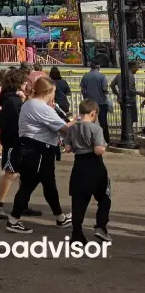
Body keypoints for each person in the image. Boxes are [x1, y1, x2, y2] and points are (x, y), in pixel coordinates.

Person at [6, 77, 74, 234]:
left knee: (47, 184)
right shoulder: (40, 107)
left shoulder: (30, 103)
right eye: (54, 92)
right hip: (39, 150)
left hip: (34, 148)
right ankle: (13, 219)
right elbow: (64, 129)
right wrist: (78, 121)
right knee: (31, 185)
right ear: (48, 92)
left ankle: (60, 217)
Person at [0, 68, 43, 219]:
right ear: (19, 83)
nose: (26, 84)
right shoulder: (12, 100)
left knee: (24, 174)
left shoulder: (12, 98)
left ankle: (22, 204)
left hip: (18, 141)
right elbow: (19, 119)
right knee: (11, 173)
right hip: (13, 141)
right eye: (25, 82)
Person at [65, 99, 112, 243]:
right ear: (93, 113)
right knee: (104, 197)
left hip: (79, 166)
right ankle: (100, 226)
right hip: (95, 165)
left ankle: (77, 233)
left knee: (78, 201)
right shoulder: (96, 129)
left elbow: (67, 149)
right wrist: (104, 147)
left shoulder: (72, 129)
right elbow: (98, 150)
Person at [80, 62, 111, 145]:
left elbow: (82, 90)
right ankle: (106, 140)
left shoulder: (85, 76)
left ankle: (89, 140)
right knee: (103, 122)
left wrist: (85, 97)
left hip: (89, 103)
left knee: (89, 123)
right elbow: (104, 88)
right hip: (101, 102)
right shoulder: (102, 76)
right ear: (98, 66)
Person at [110, 61, 141, 133]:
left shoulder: (119, 75)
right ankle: (129, 132)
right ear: (132, 67)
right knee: (130, 117)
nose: (137, 69)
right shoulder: (130, 76)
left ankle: (126, 131)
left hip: (122, 100)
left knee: (125, 116)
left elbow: (112, 85)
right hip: (130, 100)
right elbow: (130, 90)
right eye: (137, 67)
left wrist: (118, 94)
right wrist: (140, 93)